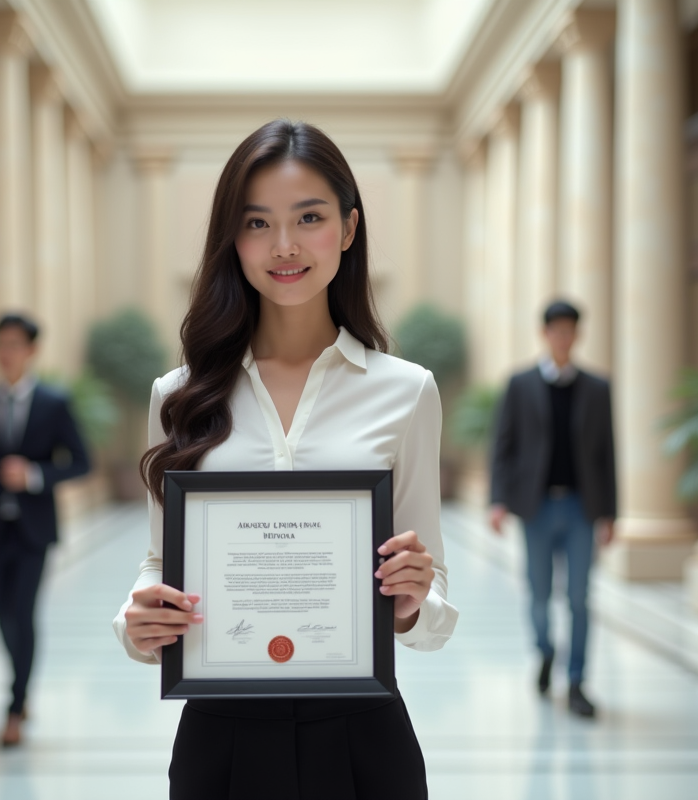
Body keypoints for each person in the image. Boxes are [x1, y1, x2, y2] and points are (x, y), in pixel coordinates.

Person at [112, 119, 458, 800]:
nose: (286, 246)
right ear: (231, 239)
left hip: (364, 736)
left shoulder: (407, 391)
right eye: (258, 223)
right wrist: (137, 621)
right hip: (221, 737)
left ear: (349, 228)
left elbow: (432, 583)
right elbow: (160, 564)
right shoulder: (177, 396)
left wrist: (416, 604)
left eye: (309, 217)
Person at [0, 313, 91, 747]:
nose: (5, 352)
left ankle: (14, 704)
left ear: (31, 350)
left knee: (23, 614)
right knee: (2, 616)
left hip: (34, 530)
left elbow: (83, 462)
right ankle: (20, 684)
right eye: (0, 343)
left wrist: (34, 476)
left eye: (14, 344)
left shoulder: (55, 402)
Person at [489, 300, 616, 719]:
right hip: (537, 507)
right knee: (539, 595)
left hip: (582, 508)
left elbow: (607, 454)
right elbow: (503, 446)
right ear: (545, 334)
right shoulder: (520, 383)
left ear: (577, 335)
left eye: (570, 331)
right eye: (556, 331)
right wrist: (497, 500)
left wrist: (611, 512)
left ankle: (577, 680)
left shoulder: (597, 388)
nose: (563, 338)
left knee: (579, 598)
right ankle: (545, 651)